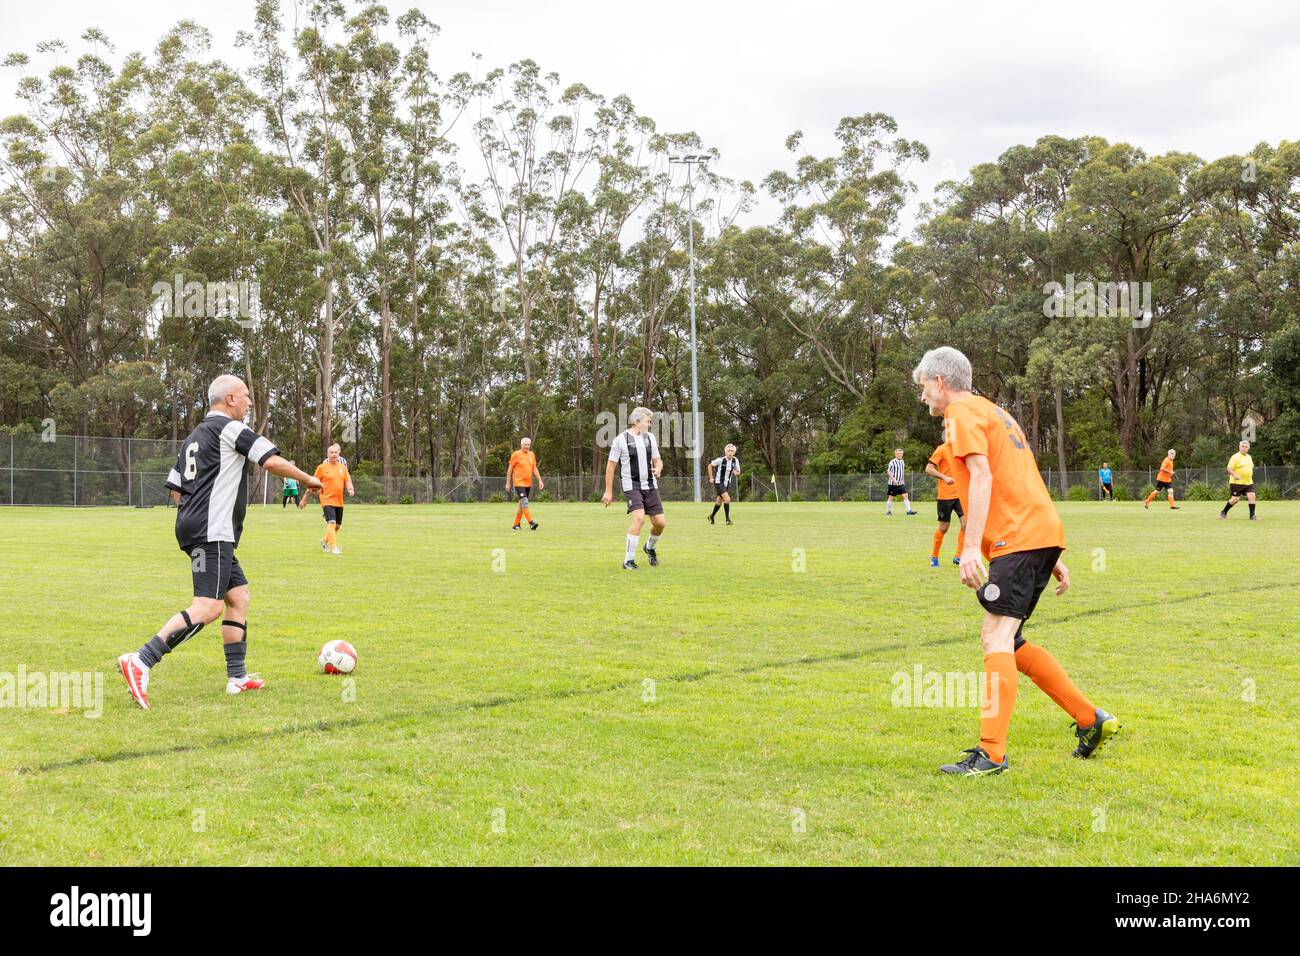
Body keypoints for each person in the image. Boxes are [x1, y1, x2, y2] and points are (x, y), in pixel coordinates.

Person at [913, 346, 1118, 776]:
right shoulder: (995, 412)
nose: (923, 397)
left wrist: (969, 548)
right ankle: (1088, 718)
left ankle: (992, 754)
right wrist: (1048, 551)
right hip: (1035, 535)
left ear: (941, 382)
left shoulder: (961, 413)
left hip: (1019, 539)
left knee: (995, 637)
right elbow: (1021, 475)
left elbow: (984, 476)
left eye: (924, 387)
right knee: (1012, 641)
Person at [117, 375, 322, 710]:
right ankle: (140, 660)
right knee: (208, 606)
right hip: (212, 532)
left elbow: (175, 490)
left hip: (198, 528)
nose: (249, 404)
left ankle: (237, 678)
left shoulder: (192, 438)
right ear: (230, 398)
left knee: (238, 597)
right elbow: (270, 460)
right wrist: (309, 478)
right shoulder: (230, 429)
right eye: (246, 398)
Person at [602, 406, 665, 570]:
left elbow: (658, 460)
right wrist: (608, 491)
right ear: (637, 421)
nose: (650, 424)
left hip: (651, 486)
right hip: (632, 486)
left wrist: (658, 468)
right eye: (647, 421)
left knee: (660, 523)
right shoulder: (620, 439)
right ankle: (628, 560)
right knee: (639, 519)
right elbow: (610, 467)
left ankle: (649, 547)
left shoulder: (650, 438)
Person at [301, 443, 354, 553]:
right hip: (326, 499)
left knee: (337, 526)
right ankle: (334, 547)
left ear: (339, 454)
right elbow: (313, 483)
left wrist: (350, 488)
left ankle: (325, 540)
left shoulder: (343, 468)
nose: (334, 454)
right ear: (327, 454)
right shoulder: (321, 468)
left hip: (339, 501)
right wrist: (304, 499)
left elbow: (347, 480)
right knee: (332, 522)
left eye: (336, 452)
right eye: (331, 452)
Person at [925, 441, 965, 567]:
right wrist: (944, 477)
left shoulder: (964, 447)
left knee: (966, 524)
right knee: (944, 528)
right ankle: (934, 557)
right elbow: (929, 469)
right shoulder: (941, 449)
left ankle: (958, 557)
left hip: (961, 494)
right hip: (945, 496)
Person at [506, 437, 543, 531]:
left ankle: (516, 525)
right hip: (518, 482)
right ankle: (531, 522)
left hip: (528, 483)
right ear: (521, 445)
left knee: (521, 505)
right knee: (525, 501)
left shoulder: (532, 455)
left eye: (528, 445)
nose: (527, 446)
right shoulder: (516, 454)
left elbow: (534, 468)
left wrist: (540, 480)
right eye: (525, 445)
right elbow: (510, 469)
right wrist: (508, 483)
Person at [1219, 440, 1258, 520]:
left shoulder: (1249, 457)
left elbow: (1250, 468)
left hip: (1248, 482)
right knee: (1235, 499)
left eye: (1246, 447)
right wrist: (1235, 475)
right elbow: (1229, 468)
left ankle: (1252, 516)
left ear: (1248, 448)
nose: (1244, 448)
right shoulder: (1235, 457)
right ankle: (1224, 512)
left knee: (1252, 496)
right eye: (1242, 446)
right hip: (1236, 482)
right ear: (1239, 447)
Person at [707, 445, 742, 525]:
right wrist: (711, 478)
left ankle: (711, 516)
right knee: (727, 499)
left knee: (719, 501)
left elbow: (738, 471)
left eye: (731, 451)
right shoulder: (721, 460)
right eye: (728, 451)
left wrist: (735, 473)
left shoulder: (735, 460)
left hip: (726, 483)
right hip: (719, 482)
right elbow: (710, 466)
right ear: (725, 452)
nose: (730, 452)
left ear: (734, 452)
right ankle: (727, 520)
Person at [885, 449, 917, 515]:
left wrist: (903, 480)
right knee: (891, 497)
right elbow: (888, 472)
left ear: (902, 454)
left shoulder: (902, 462)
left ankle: (909, 511)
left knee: (905, 495)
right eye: (898, 453)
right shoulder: (892, 462)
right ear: (895, 454)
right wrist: (894, 480)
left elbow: (901, 472)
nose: (899, 454)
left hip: (901, 483)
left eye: (900, 453)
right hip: (892, 483)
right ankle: (889, 511)